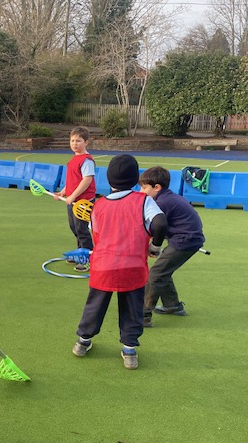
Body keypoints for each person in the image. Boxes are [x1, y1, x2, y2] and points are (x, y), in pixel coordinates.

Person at [72, 155, 167, 369]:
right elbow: (160, 223)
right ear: (136, 179)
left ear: (108, 179)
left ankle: (82, 342)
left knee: (94, 306)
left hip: (103, 267)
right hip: (132, 267)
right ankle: (129, 351)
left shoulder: (98, 205)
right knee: (132, 308)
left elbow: (94, 233)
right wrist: (155, 246)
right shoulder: (144, 201)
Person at [139, 166, 205, 327]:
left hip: (185, 241)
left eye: (144, 187)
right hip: (188, 239)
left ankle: (143, 315)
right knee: (163, 271)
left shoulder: (162, 202)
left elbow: (154, 227)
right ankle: (172, 305)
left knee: (156, 274)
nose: (141, 191)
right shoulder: (167, 197)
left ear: (157, 187)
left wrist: (154, 245)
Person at [55, 126, 96, 272]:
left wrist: (73, 196)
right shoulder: (74, 159)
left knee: (82, 230)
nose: (74, 143)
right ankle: (81, 254)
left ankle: (88, 258)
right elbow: (73, 180)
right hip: (72, 201)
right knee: (74, 228)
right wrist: (64, 192)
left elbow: (86, 180)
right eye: (72, 140)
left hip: (83, 202)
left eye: (78, 141)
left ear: (86, 142)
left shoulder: (86, 161)